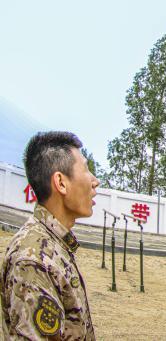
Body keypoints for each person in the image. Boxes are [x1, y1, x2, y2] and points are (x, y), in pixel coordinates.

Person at [1, 132, 99, 339]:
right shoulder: (34, 259)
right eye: (86, 169)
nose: (95, 181)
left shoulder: (53, 244)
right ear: (61, 183)